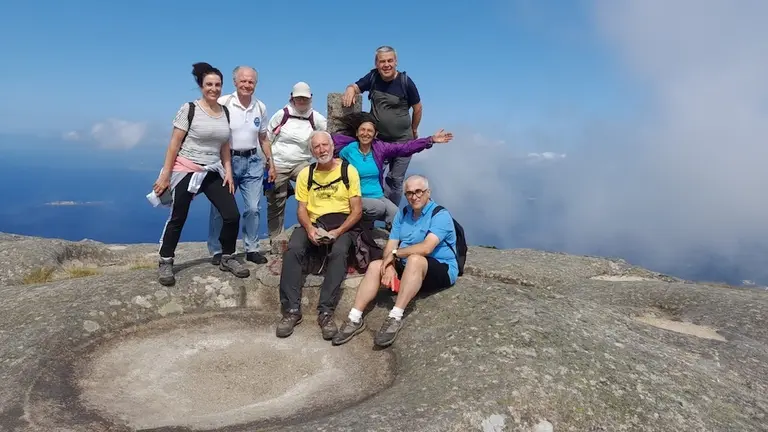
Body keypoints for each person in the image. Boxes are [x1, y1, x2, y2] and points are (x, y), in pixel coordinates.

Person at [152, 62, 250, 286]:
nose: (213, 88)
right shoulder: (189, 109)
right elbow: (174, 143)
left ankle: (227, 256)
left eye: (217, 84)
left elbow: (225, 144)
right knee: (178, 216)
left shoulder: (224, 111)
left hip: (213, 169)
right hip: (187, 167)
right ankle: (166, 260)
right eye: (209, 84)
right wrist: (165, 175)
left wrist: (228, 172)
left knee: (232, 215)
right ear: (201, 86)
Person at [332, 175, 458, 347]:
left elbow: (427, 248)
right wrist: (389, 265)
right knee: (376, 266)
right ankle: (355, 318)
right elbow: (391, 244)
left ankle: (395, 317)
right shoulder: (403, 213)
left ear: (428, 192)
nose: (414, 197)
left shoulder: (440, 215)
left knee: (415, 259)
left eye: (419, 191)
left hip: (439, 268)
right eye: (409, 193)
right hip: (408, 267)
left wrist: (396, 254)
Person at [276, 131, 362, 340]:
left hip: (342, 224)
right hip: (314, 223)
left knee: (339, 251)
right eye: (317, 147)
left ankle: (326, 312)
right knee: (293, 250)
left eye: (325, 145)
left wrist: (338, 232)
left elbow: (357, 210)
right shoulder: (307, 174)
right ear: (312, 151)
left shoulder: (348, 171)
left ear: (333, 147)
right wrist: (309, 229)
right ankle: (292, 311)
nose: (322, 149)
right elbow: (301, 209)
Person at [331, 112, 453, 227]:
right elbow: (331, 159)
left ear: (375, 134)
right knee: (378, 208)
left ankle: (397, 245)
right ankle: (360, 226)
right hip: (357, 197)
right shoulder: (348, 150)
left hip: (378, 196)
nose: (365, 133)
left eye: (370, 131)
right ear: (357, 133)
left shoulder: (379, 148)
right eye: (362, 130)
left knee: (397, 216)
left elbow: (404, 148)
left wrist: (430, 140)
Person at [207, 65, 274, 266]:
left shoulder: (260, 107)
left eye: (251, 81)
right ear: (235, 82)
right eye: (243, 81)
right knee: (220, 208)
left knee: (253, 208)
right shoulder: (223, 103)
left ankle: (252, 248)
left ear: (256, 84)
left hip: (253, 160)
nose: (247, 85)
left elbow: (263, 137)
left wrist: (270, 162)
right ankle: (217, 249)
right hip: (226, 160)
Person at [342, 45, 422, 207]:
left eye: (390, 61)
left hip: (403, 140)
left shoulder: (405, 82)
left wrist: (413, 129)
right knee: (374, 175)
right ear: (376, 64)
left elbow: (418, 107)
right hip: (379, 141)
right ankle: (372, 213)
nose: (386, 65)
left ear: (396, 62)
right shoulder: (373, 77)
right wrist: (350, 89)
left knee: (395, 180)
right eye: (382, 61)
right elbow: (356, 86)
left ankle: (390, 216)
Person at [266, 82, 327, 239]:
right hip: (279, 163)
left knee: (315, 189)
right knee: (276, 203)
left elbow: (327, 137)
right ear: (292, 98)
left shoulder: (316, 118)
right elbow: (267, 139)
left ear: (310, 98)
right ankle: (276, 239)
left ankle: (313, 229)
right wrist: (269, 164)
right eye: (298, 98)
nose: (301, 101)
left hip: (302, 163)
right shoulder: (282, 115)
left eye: (304, 98)